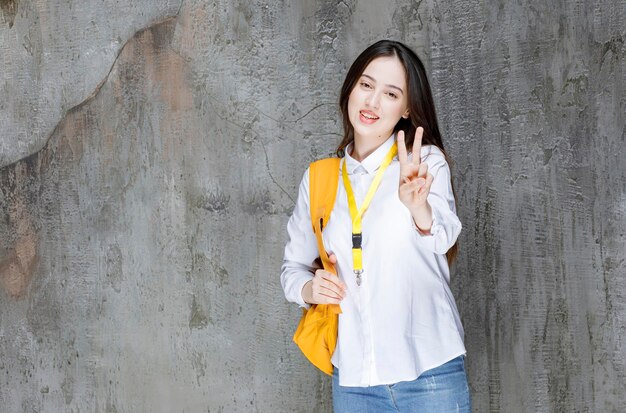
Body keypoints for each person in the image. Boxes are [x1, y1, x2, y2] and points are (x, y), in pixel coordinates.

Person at [281, 40, 471, 412]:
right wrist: (309, 288)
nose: (372, 102)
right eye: (366, 86)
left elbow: (445, 235)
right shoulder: (320, 178)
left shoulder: (423, 162)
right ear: (351, 88)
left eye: (390, 93)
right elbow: (292, 270)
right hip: (354, 382)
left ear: (406, 108)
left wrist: (420, 209)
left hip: (430, 374)